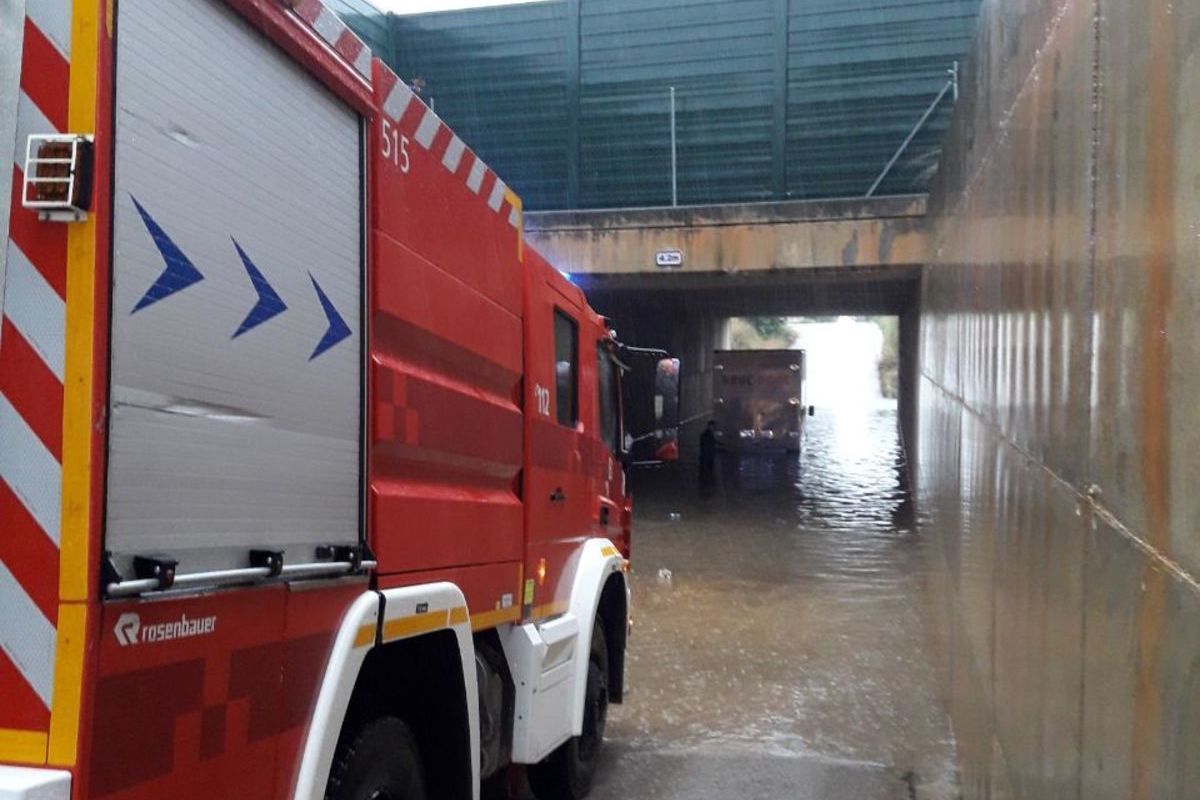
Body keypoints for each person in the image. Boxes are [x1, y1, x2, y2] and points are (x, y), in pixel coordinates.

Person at [699, 420, 719, 498]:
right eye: (713, 426)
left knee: (705, 471)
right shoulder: (709, 435)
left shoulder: (704, 434)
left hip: (704, 456)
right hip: (708, 456)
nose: (714, 428)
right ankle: (707, 487)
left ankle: (704, 487)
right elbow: (711, 445)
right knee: (708, 471)